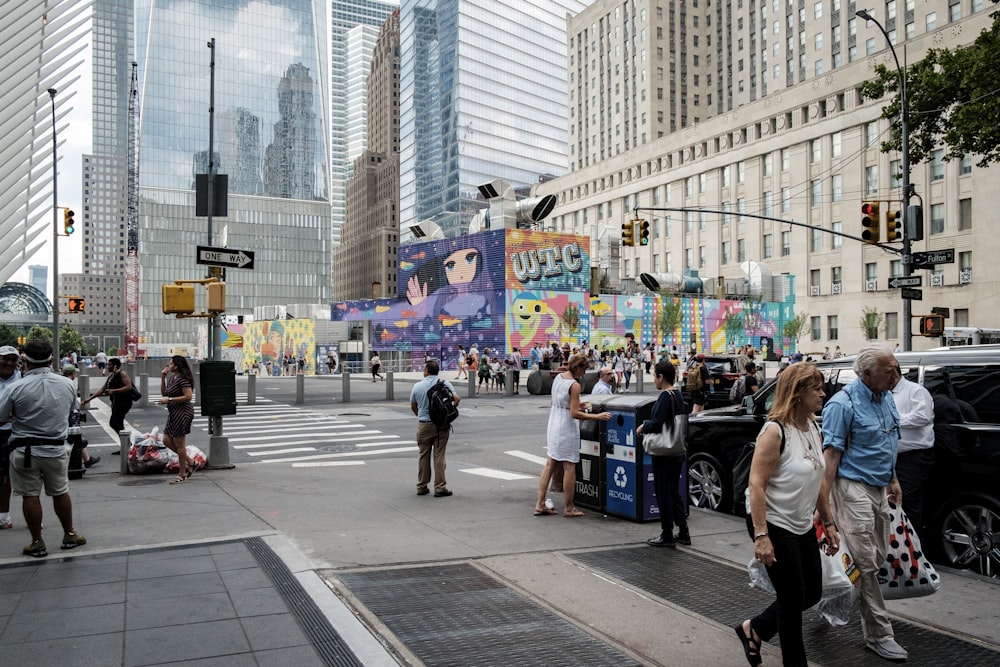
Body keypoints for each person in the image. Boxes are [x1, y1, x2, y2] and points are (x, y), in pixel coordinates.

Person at [735, 362, 840, 667]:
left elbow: (819, 480)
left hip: (801, 523)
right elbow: (756, 484)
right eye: (816, 388)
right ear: (797, 393)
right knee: (792, 601)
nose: (823, 393)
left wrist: (829, 521)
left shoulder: (813, 427)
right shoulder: (774, 431)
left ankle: (755, 629)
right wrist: (761, 535)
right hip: (773, 523)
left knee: (811, 593)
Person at [822, 345, 907, 662]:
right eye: (890, 371)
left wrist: (893, 479)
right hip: (851, 488)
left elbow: (887, 442)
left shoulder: (885, 396)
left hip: (878, 487)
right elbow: (829, 461)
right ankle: (879, 634)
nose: (896, 376)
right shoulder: (842, 405)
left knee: (876, 556)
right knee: (867, 565)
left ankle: (831, 596)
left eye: (897, 369)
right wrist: (825, 513)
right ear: (867, 374)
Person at [0, 342, 86, 557]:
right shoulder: (66, 384)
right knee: (60, 492)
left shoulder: (15, 388)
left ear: (25, 361)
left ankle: (37, 541)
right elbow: (70, 410)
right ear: (51, 360)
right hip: (56, 449)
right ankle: (69, 534)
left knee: (30, 495)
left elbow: (1, 417)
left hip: (24, 450)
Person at [534, 354, 612, 517]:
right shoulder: (574, 385)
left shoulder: (559, 378)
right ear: (577, 367)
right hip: (566, 428)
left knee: (550, 464)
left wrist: (576, 403)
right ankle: (569, 508)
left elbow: (559, 401)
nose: (584, 373)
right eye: (584, 369)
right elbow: (575, 414)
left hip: (554, 422)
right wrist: (597, 416)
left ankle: (540, 503)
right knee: (569, 466)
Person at [638, 360, 691, 547]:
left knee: (662, 492)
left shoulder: (664, 397)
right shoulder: (678, 395)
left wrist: (644, 426)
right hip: (677, 451)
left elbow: (658, 422)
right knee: (674, 491)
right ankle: (683, 530)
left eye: (655, 376)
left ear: (661, 376)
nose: (654, 380)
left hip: (663, 453)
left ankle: (667, 533)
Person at [890, 360, 935, 534]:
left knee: (907, 504)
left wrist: (891, 419)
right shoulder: (885, 394)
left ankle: (913, 548)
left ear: (893, 373)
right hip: (890, 457)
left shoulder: (915, 391)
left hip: (912, 457)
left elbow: (922, 416)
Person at [409, 359, 460, 497]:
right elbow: (457, 399)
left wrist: (420, 415)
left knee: (423, 455)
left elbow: (413, 406)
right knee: (439, 455)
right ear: (437, 371)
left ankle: (422, 486)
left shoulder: (417, 386)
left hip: (424, 425)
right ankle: (439, 487)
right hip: (440, 426)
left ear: (426, 371)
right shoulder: (445, 384)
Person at [157, 356, 196, 484]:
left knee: (180, 444)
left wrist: (170, 400)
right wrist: (163, 377)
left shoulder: (183, 379)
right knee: (166, 440)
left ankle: (182, 473)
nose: (169, 366)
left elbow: (188, 396)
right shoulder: (172, 378)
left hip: (183, 412)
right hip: (173, 412)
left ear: (177, 366)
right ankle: (190, 461)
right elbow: (164, 393)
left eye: (171, 364)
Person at [81, 357, 134, 445]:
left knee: (114, 423)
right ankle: (125, 445)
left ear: (115, 366)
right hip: (116, 402)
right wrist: (89, 399)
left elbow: (128, 387)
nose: (107, 366)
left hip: (124, 402)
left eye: (109, 365)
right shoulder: (111, 376)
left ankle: (127, 444)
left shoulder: (122, 374)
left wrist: (114, 391)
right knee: (118, 423)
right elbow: (102, 389)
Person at [0, 345, 23, 529]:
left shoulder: (24, 379)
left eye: (13, 359)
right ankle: (4, 516)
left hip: (18, 433)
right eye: (5, 358)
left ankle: (33, 517)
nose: (9, 363)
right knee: (2, 477)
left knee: (25, 476)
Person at [62, 365, 100, 469]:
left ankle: (87, 459)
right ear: (72, 374)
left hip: (63, 413)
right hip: (69, 413)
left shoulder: (60, 382)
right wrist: (76, 412)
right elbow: (73, 402)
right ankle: (85, 460)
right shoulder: (69, 384)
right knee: (75, 437)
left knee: (76, 438)